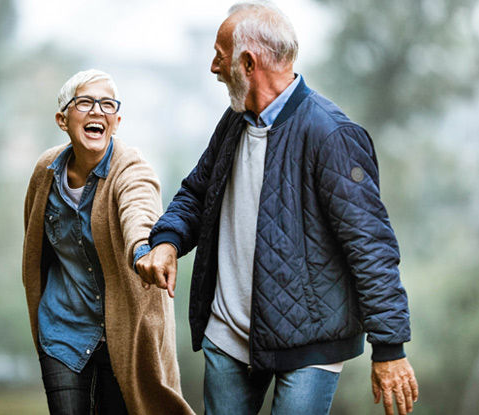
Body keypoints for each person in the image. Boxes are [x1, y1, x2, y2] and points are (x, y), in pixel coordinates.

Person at [135, 2, 419, 414]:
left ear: (248, 62)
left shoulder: (332, 135)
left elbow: (370, 247)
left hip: (310, 345)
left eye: (219, 55)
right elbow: (197, 193)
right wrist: (166, 241)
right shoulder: (234, 121)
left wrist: (389, 348)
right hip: (228, 337)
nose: (213, 67)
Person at [22, 69, 194, 415]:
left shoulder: (131, 168)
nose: (97, 111)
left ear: (116, 121)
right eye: (84, 102)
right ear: (62, 118)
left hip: (123, 333)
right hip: (62, 328)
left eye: (106, 104)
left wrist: (144, 251)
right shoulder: (46, 172)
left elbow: (139, 212)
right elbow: (35, 244)